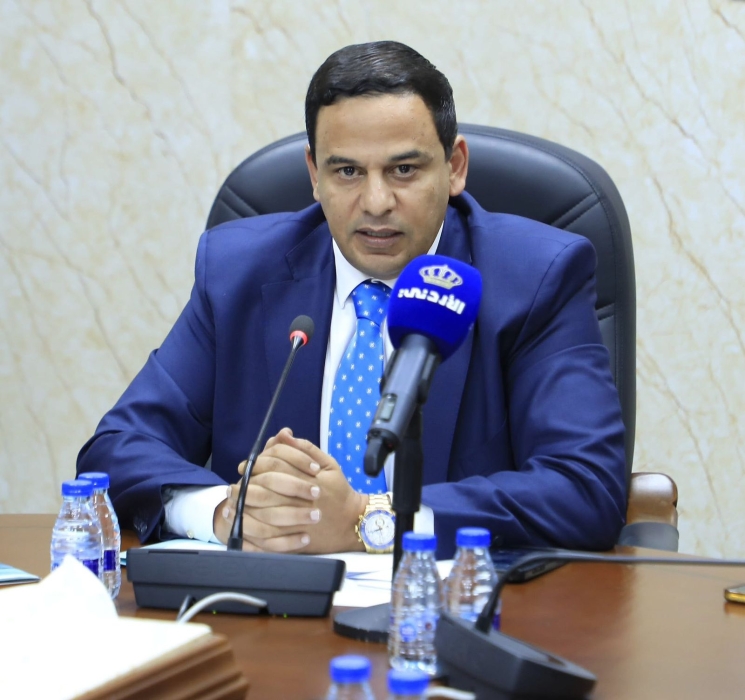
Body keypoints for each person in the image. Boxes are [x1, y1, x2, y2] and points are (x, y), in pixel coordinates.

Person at [77, 41, 626, 559]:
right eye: (347, 172)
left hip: (450, 605)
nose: (376, 201)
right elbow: (118, 448)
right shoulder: (237, 272)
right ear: (314, 175)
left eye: (404, 170)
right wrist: (229, 512)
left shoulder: (534, 278)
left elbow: (584, 487)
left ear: (455, 167)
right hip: (270, 607)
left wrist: (368, 519)